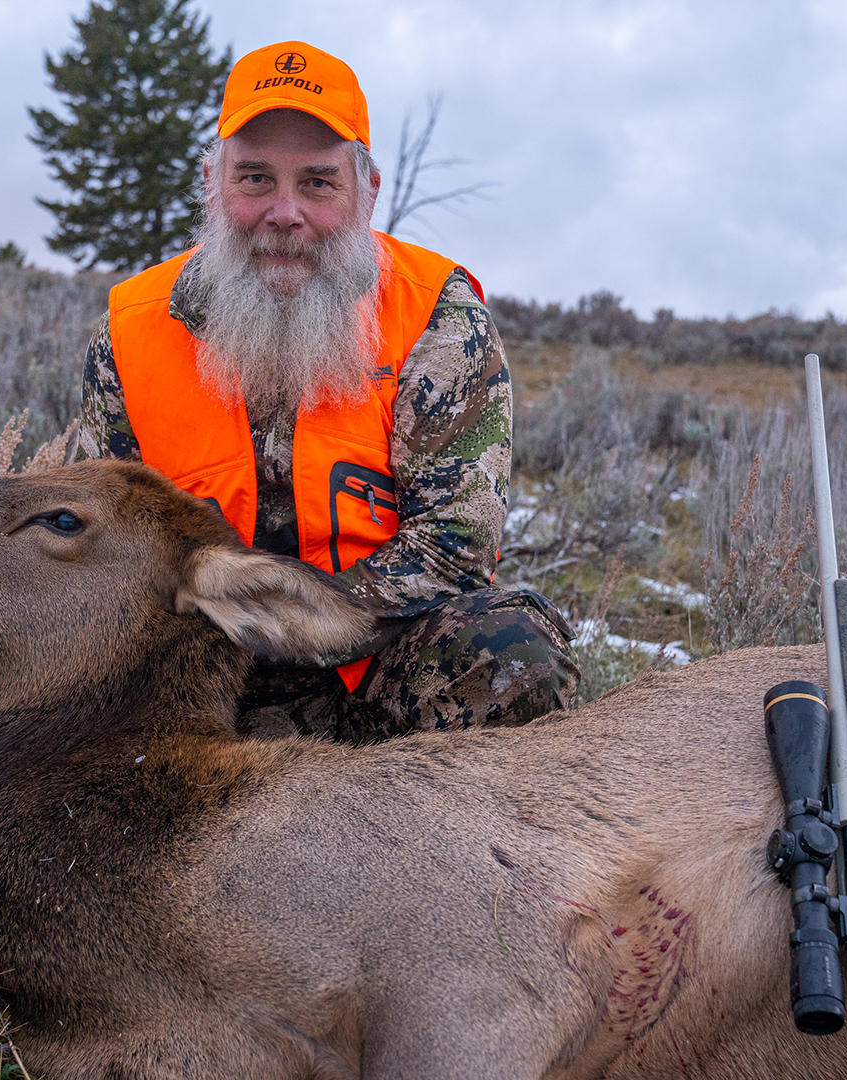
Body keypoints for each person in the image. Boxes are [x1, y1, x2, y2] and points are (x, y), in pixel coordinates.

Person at [67, 40, 575, 743]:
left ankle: (442, 842)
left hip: (373, 660)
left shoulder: (436, 315)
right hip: (195, 667)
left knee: (511, 653)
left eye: (317, 182)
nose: (284, 212)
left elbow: (455, 547)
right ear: (213, 184)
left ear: (366, 192)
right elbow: (95, 539)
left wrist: (291, 621)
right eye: (254, 179)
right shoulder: (132, 330)